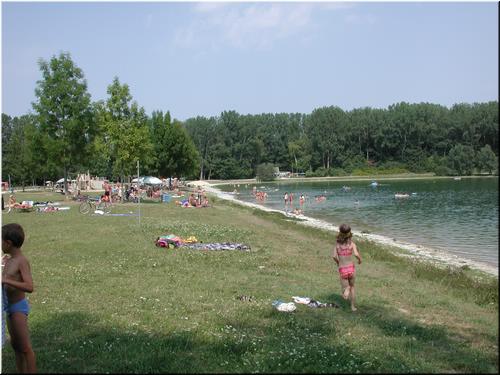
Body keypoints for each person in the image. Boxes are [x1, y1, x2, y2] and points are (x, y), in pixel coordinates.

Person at [2, 223, 37, 373]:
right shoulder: (9, 260)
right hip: (9, 308)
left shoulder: (21, 261)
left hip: (18, 308)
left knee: (25, 348)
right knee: (16, 347)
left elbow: (29, 286)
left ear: (8, 243)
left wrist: (5, 280)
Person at [332, 224, 362, 312]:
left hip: (343, 269)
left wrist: (338, 263)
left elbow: (334, 256)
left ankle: (346, 289)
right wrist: (360, 260)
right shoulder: (352, 244)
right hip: (351, 269)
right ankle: (352, 307)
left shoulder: (337, 244)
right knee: (353, 287)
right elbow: (356, 254)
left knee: (344, 289)